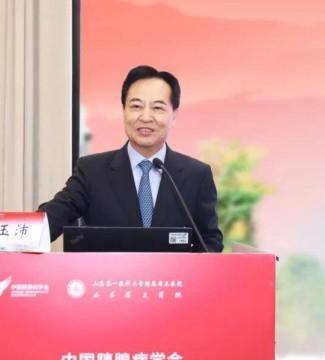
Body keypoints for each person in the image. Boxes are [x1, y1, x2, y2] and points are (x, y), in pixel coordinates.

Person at [38, 65, 223, 252]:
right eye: (136, 106)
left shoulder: (197, 175)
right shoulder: (92, 171)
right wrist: (23, 232)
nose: (146, 117)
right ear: (124, 110)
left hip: (176, 273)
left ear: (173, 116)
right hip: (109, 272)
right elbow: (54, 217)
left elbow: (210, 242)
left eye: (157, 108)